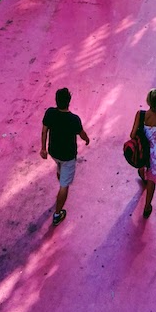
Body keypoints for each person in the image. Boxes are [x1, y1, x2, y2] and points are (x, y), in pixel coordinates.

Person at [40, 87, 90, 226]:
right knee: (64, 186)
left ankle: (61, 176)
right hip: (68, 156)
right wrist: (87, 140)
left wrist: (43, 148)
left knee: (59, 166)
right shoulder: (74, 119)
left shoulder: (50, 113)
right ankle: (57, 214)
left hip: (53, 152)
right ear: (69, 101)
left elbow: (44, 131)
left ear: (56, 101)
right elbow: (82, 134)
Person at [130, 89, 156, 220]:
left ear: (148, 100)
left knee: (142, 162)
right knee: (152, 178)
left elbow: (132, 134)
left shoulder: (140, 114)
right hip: (155, 150)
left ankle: (142, 174)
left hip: (143, 147)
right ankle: (147, 206)